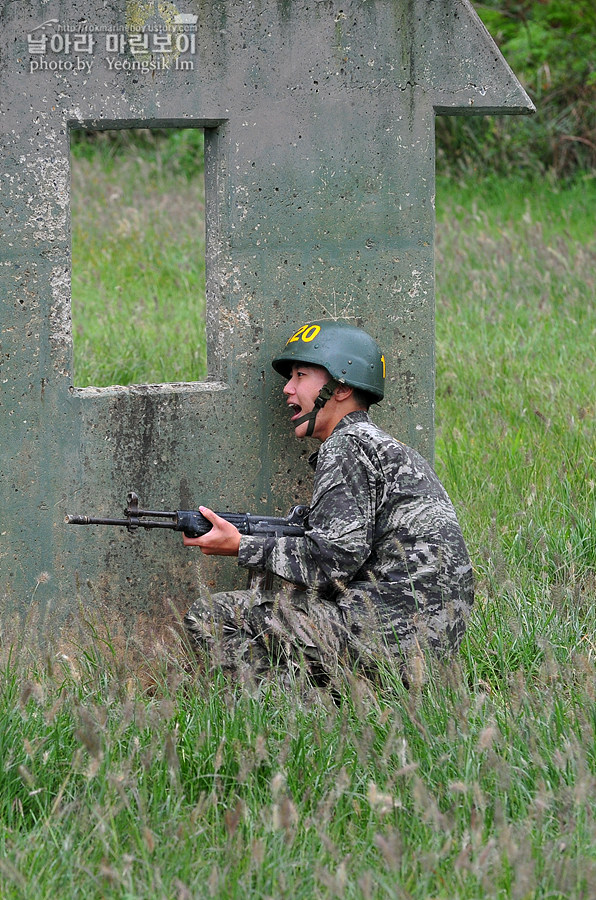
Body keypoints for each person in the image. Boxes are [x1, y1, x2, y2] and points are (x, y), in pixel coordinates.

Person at [183, 320, 474, 684]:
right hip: (427, 642)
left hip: (390, 636)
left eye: (301, 375)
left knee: (211, 615)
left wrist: (242, 546)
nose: (288, 389)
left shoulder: (347, 445)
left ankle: (286, 722)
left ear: (340, 387)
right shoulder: (381, 447)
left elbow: (333, 562)